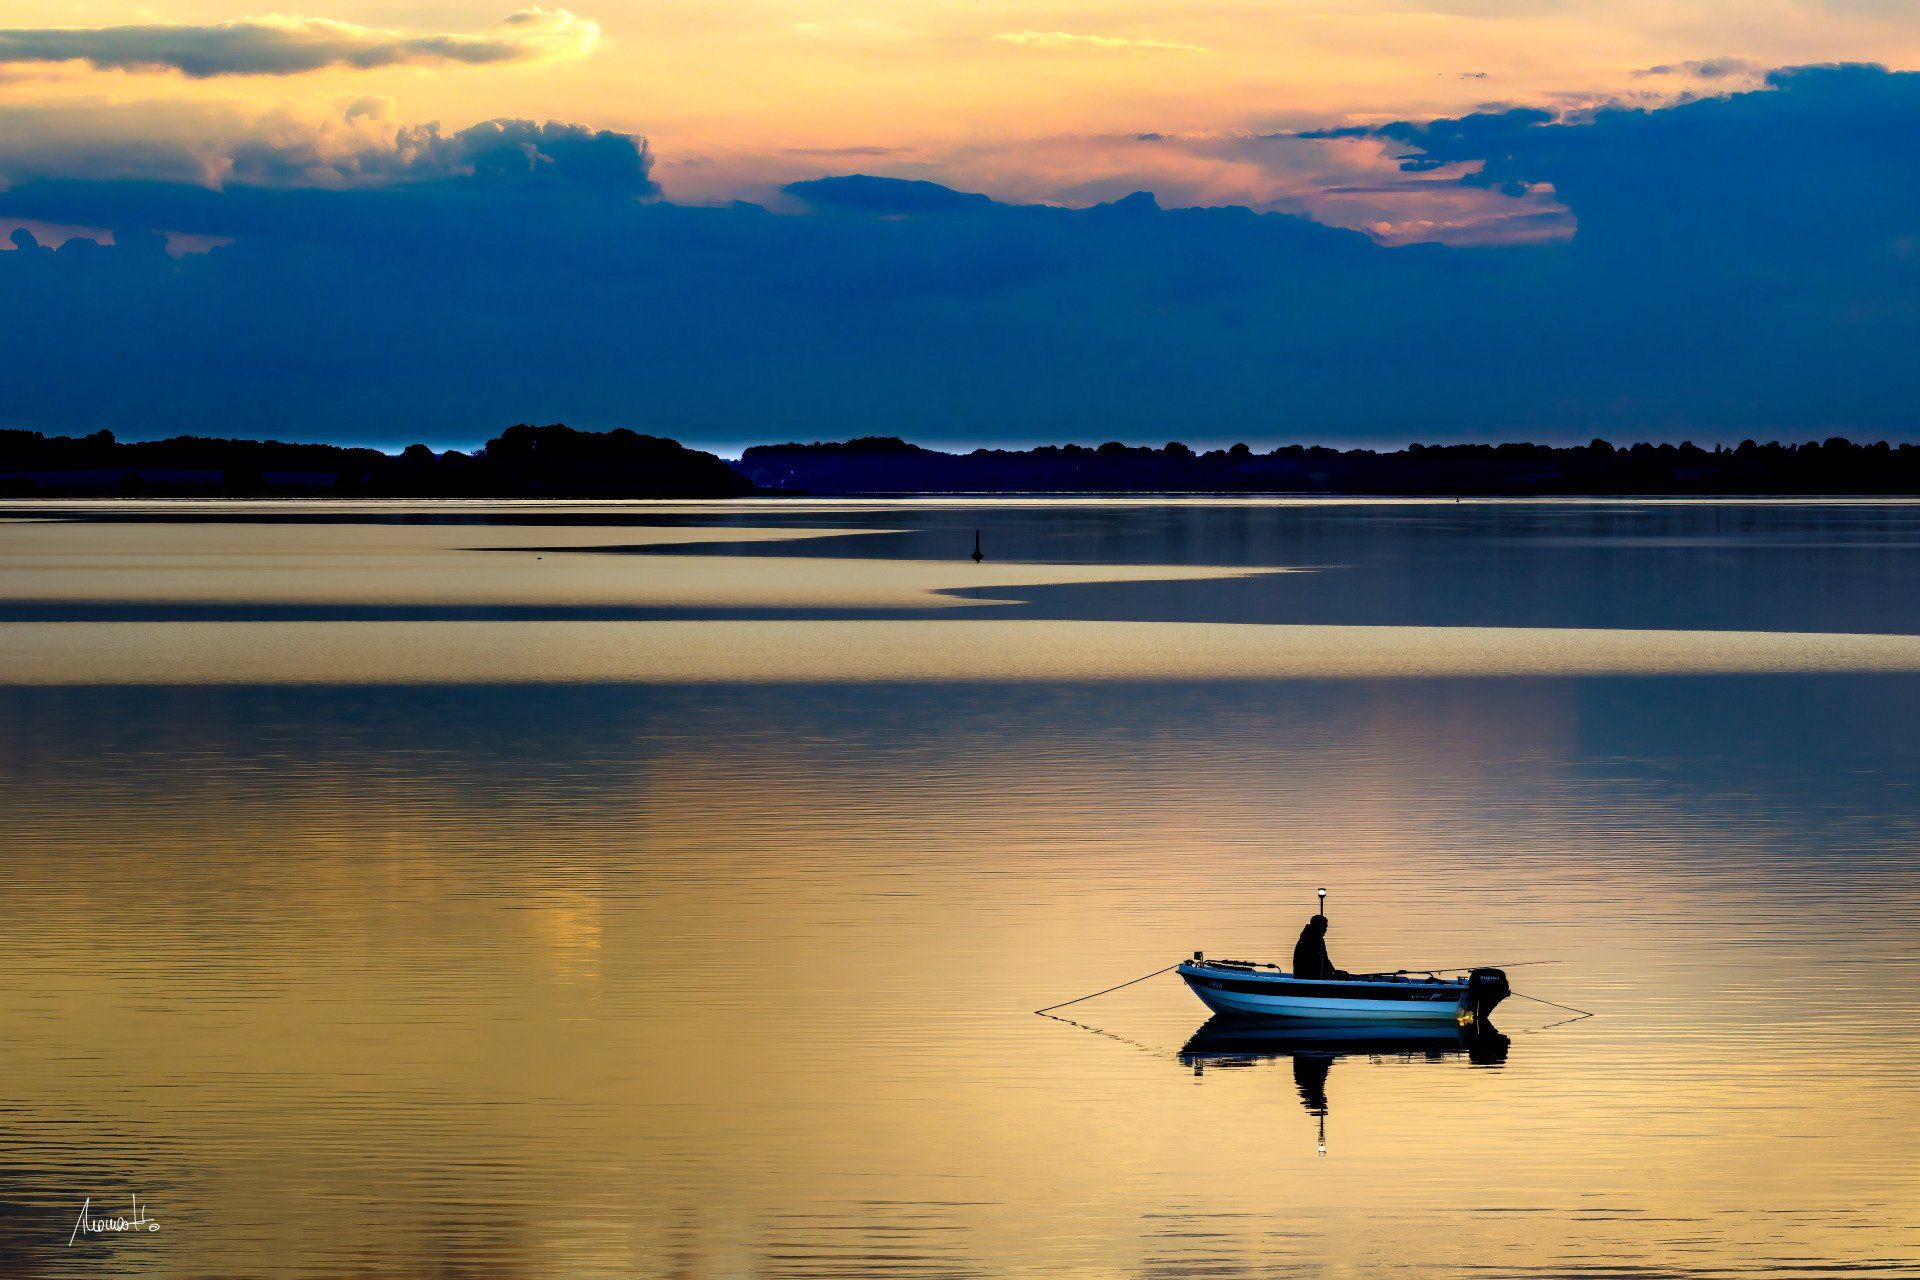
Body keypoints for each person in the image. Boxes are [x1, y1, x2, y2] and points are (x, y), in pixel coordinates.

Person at [1291, 914, 1350, 980]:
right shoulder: (1308, 939)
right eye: (1324, 927)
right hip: (1306, 976)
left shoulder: (1319, 939)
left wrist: (1334, 971)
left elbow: (1325, 960)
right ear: (1318, 926)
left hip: (1317, 975)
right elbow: (1312, 963)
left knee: (1345, 975)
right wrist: (1327, 975)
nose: (1326, 929)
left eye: (1326, 927)